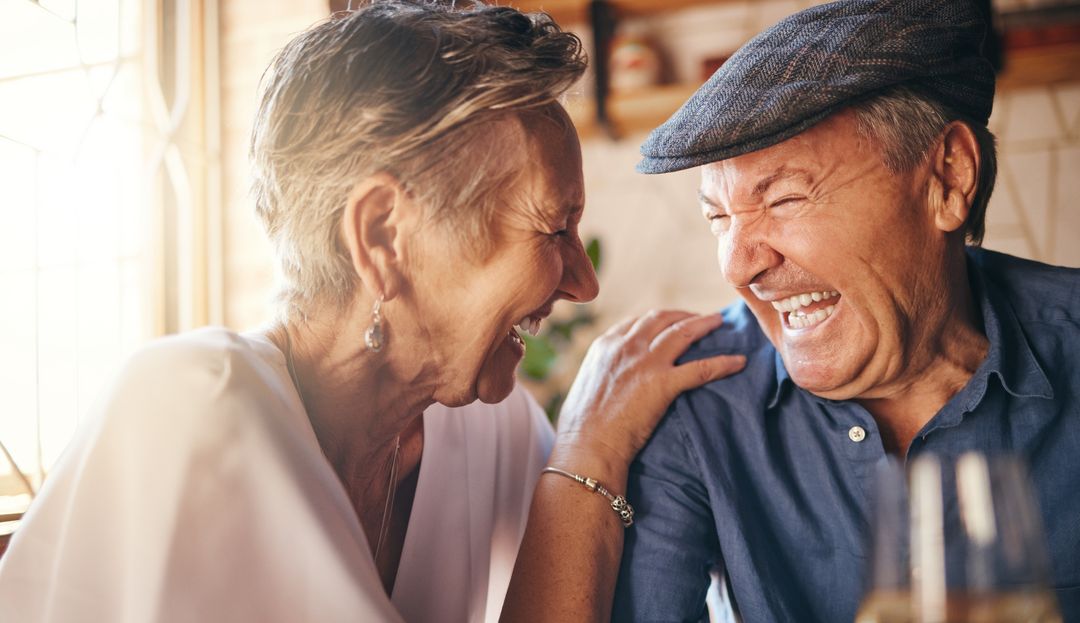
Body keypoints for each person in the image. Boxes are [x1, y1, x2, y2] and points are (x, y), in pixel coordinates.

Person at [0, 2, 746, 622]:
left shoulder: (489, 426)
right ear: (384, 236)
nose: (583, 282)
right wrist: (588, 446)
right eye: (554, 227)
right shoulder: (189, 402)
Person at [611, 0, 1080, 621]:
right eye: (718, 217)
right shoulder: (695, 403)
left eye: (784, 198)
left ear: (948, 178)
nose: (737, 266)